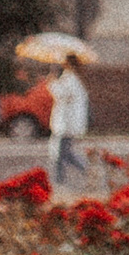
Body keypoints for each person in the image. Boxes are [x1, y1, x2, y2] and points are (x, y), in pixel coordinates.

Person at [46, 54, 92, 193]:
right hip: (67, 123)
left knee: (60, 155)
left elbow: (62, 96)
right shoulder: (73, 78)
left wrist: (52, 82)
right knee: (64, 154)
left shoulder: (70, 79)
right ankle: (87, 171)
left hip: (66, 123)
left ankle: (59, 182)